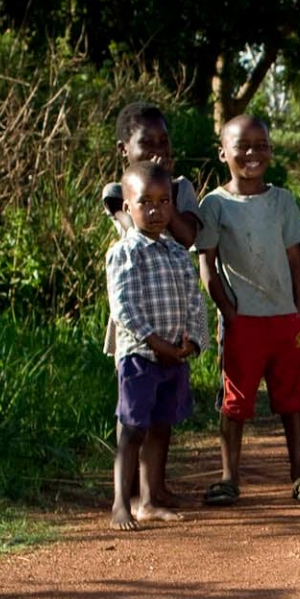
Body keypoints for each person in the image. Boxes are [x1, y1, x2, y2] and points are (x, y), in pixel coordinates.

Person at [193, 115, 300, 505]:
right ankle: (228, 478)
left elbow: (296, 261)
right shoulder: (214, 204)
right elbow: (207, 265)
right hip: (243, 323)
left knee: (294, 400)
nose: (253, 153)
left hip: (286, 320)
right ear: (223, 153)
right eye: (242, 146)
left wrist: (299, 313)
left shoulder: (282, 200)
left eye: (261, 145)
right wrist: (229, 313)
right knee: (235, 402)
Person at [104, 161, 206, 531]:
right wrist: (157, 343)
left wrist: (193, 340)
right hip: (140, 356)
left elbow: (194, 299)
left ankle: (149, 501)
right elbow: (124, 308)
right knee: (133, 429)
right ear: (126, 207)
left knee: (162, 425)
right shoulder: (124, 253)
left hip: (174, 356)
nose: (155, 210)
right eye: (145, 202)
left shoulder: (178, 252)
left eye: (164, 202)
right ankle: (121, 504)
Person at [100, 102, 199, 245]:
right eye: (146, 143)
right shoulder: (116, 192)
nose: (158, 150)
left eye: (164, 141)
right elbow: (136, 232)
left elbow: (187, 238)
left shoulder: (181, 187)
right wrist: (155, 183)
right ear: (123, 149)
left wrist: (165, 183)